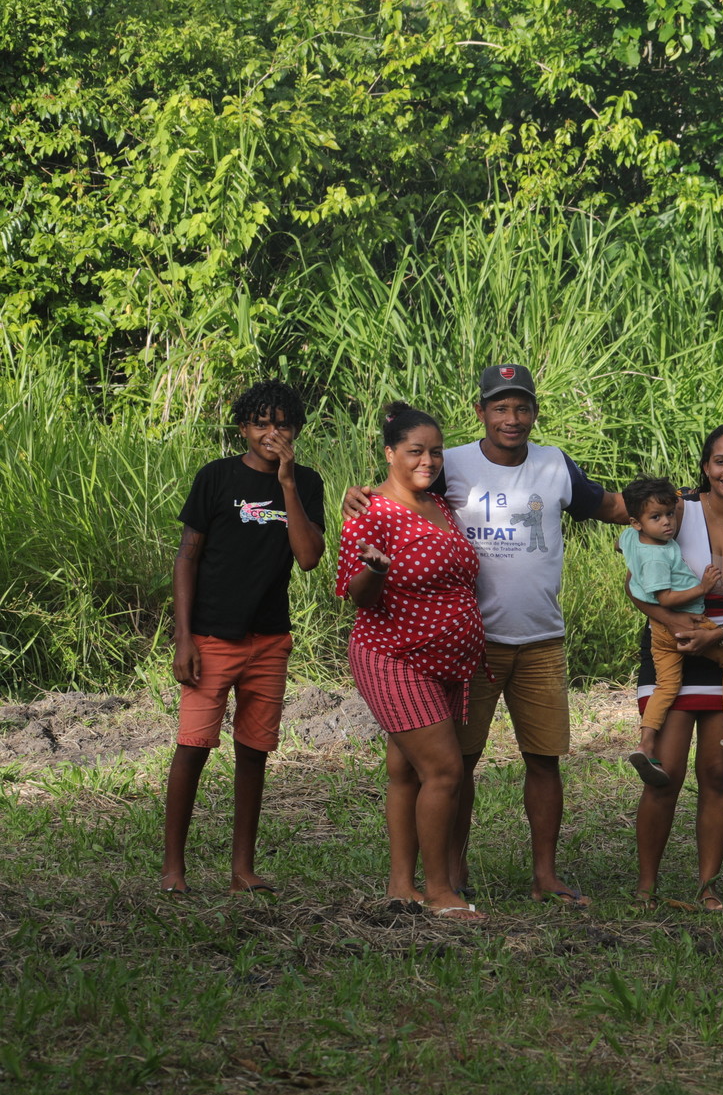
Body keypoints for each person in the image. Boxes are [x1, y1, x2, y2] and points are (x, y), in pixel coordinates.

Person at [340, 364, 626, 907]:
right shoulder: (454, 465)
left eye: (521, 408)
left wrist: (686, 502)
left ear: (535, 413)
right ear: (481, 412)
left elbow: (608, 506)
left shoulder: (554, 464)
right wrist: (358, 496)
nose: (511, 419)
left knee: (543, 759)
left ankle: (545, 875)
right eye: (500, 408)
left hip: (541, 637)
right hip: (472, 648)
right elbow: (401, 486)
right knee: (455, 766)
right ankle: (451, 873)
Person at [162, 381, 326, 895]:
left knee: (254, 751)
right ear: (243, 428)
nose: (271, 433)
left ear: (295, 430)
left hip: (270, 639)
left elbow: (309, 556)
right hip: (211, 636)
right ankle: (174, 869)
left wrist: (288, 485)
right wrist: (183, 636)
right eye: (261, 423)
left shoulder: (306, 481)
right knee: (193, 748)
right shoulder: (215, 477)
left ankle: (242, 870)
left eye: (281, 424)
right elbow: (187, 557)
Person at [337, 403, 487, 920]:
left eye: (436, 451)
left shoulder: (438, 505)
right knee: (445, 771)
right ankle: (441, 890)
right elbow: (360, 596)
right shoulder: (369, 512)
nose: (428, 460)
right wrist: (375, 570)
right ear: (390, 453)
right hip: (394, 656)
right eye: (415, 451)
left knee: (406, 773)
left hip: (445, 660)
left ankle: (401, 888)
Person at [630, 425, 723, 911]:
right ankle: (646, 887)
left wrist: (716, 634)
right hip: (672, 643)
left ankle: (707, 888)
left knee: (718, 774)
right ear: (705, 467)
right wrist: (678, 624)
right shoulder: (678, 509)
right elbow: (635, 576)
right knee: (666, 771)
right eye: (720, 461)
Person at [619, 475, 723, 785]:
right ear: (636, 522)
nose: (668, 523)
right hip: (688, 622)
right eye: (656, 518)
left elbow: (623, 546)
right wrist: (703, 587)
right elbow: (666, 597)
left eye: (670, 514)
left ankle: (646, 743)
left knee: (667, 686)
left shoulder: (632, 539)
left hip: (659, 631)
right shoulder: (657, 554)